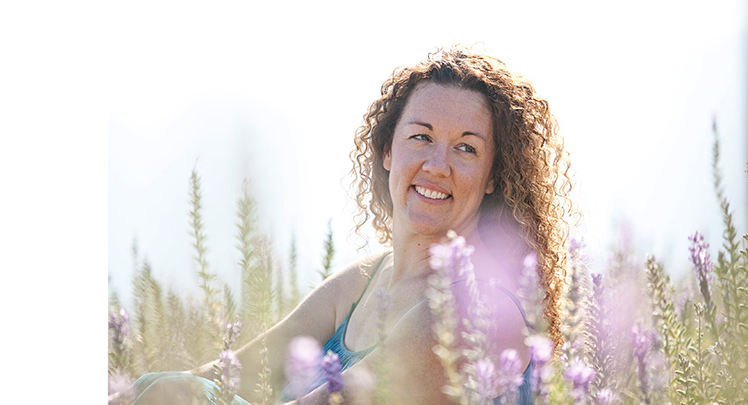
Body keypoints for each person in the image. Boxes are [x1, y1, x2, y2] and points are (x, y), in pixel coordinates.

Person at [131, 44, 573, 404]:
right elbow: (237, 375)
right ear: (387, 150)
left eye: (467, 148)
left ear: (494, 174)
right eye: (421, 137)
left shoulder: (474, 305)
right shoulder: (364, 280)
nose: (437, 166)